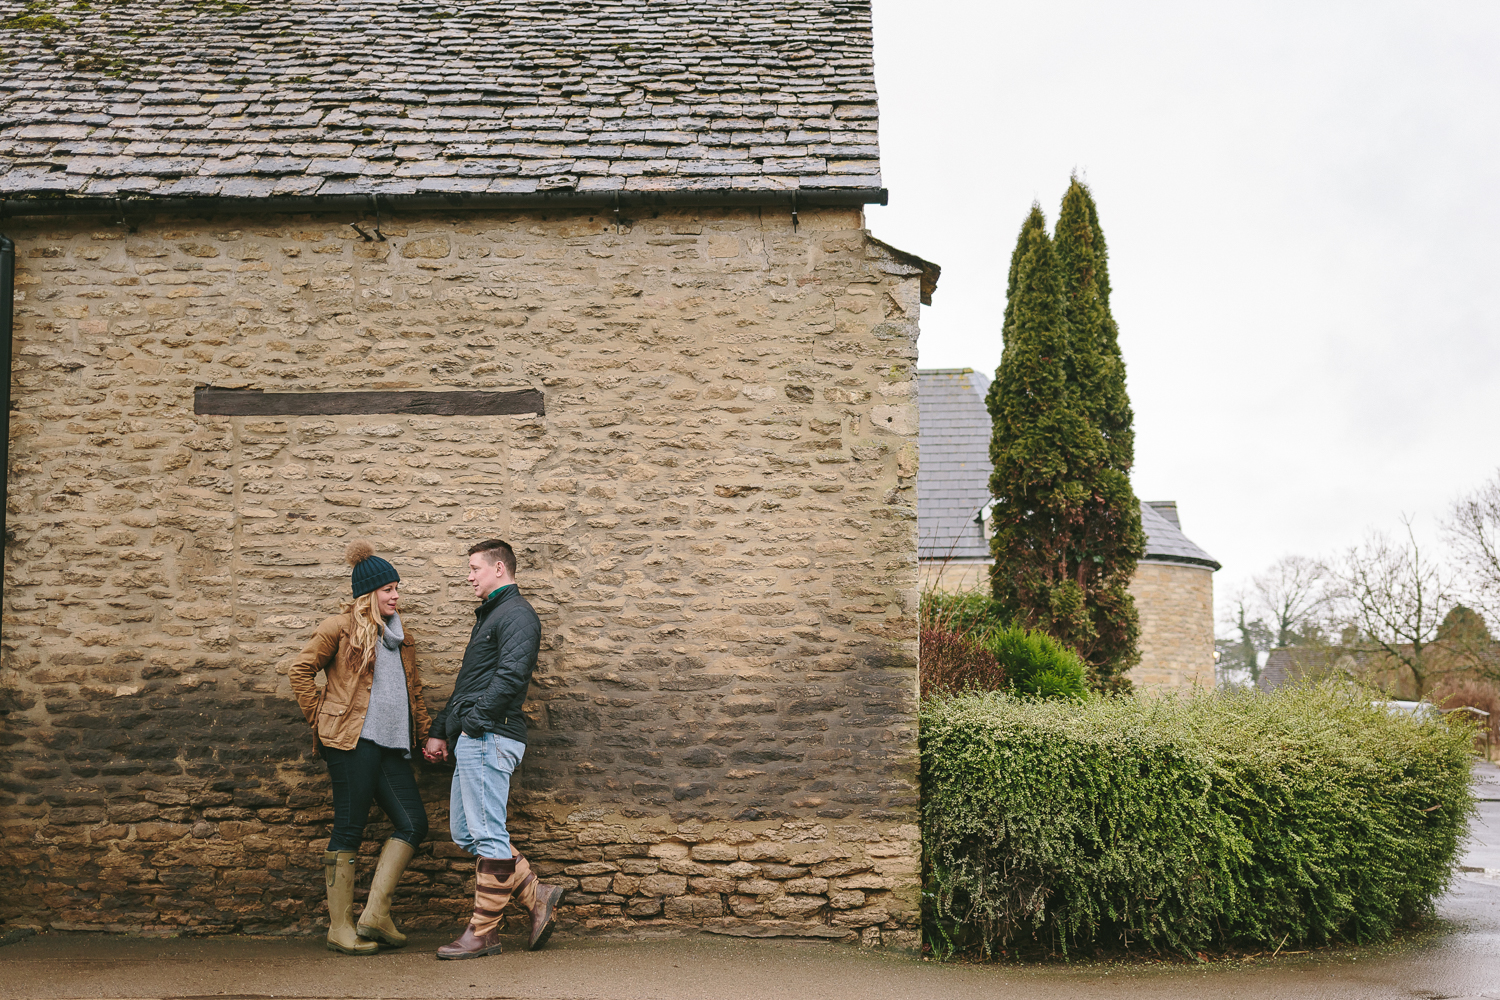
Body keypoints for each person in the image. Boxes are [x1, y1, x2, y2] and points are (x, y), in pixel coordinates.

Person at [289, 541, 432, 955]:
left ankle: (375, 914)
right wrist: (320, 717)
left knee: (413, 823)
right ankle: (340, 926)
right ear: (369, 594)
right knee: (349, 828)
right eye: (388, 589)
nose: (396, 595)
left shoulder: (402, 639)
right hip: (350, 743)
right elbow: (300, 670)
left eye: (397, 588)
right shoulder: (339, 628)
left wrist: (425, 736)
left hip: (392, 746)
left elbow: (414, 694)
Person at [424, 538, 563, 960]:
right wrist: (442, 730)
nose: (468, 577)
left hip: (491, 736)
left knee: (487, 835)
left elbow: (511, 677)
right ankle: (537, 894)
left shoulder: (517, 614)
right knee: (468, 833)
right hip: (475, 735)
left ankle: (483, 933)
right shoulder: (491, 616)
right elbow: (471, 682)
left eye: (474, 568)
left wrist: (472, 723)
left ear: (499, 569)